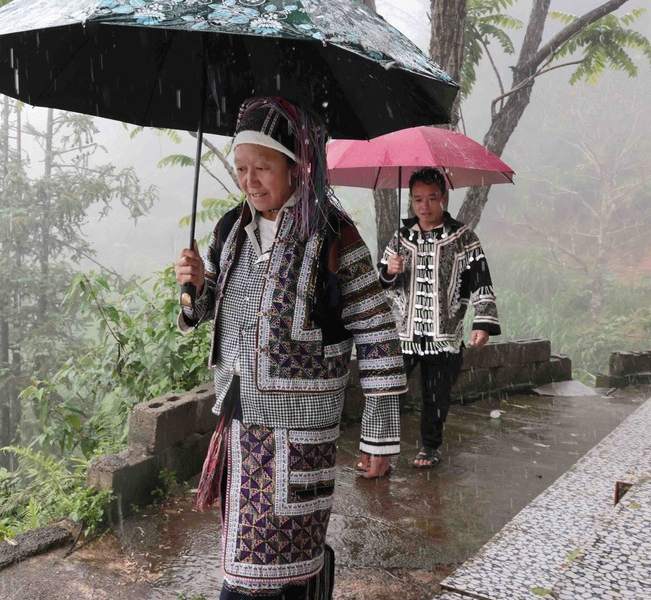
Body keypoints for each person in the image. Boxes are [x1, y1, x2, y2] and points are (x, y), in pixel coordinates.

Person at [174, 97, 407, 599]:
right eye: (240, 168)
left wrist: (379, 434)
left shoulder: (333, 237)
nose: (250, 180)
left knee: (269, 570)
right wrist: (195, 289)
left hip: (299, 438)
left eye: (262, 167)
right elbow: (214, 309)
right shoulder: (229, 232)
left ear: (295, 166)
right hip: (239, 425)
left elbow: (377, 334)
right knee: (253, 562)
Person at [378, 167, 501, 468]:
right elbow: (380, 281)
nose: (425, 205)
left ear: (443, 197)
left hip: (443, 335)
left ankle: (429, 448)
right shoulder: (400, 237)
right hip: (403, 334)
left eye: (432, 198)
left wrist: (482, 323)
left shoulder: (463, 237)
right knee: (390, 392)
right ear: (411, 200)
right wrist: (389, 270)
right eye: (418, 199)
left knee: (436, 395)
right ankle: (381, 449)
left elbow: (481, 281)